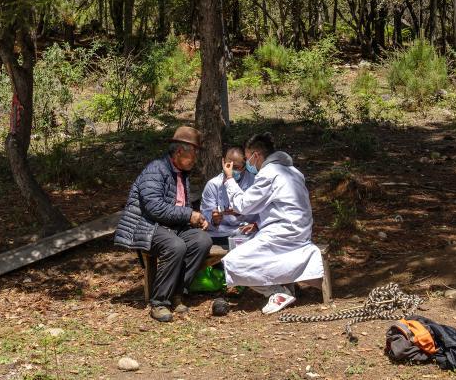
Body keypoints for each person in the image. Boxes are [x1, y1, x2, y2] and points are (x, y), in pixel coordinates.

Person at [114, 125, 213, 322]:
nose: (195, 160)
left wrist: (197, 218)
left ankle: (176, 292)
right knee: (175, 246)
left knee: (202, 241)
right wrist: (188, 215)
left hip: (171, 226)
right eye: (193, 155)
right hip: (146, 226)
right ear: (179, 152)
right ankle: (159, 302)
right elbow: (154, 208)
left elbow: (180, 206)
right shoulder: (156, 170)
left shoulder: (181, 173)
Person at [220, 132, 324, 315]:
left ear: (256, 155)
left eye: (247, 158)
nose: (248, 164)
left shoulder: (269, 173)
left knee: (233, 261)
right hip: (300, 232)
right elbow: (282, 206)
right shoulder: (294, 172)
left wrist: (229, 180)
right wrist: (259, 224)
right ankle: (285, 287)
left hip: (282, 234)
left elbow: (243, 205)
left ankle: (276, 292)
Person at [201, 146, 258, 248]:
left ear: (245, 165)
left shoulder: (254, 182)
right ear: (223, 162)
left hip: (247, 232)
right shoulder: (213, 185)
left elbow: (260, 212)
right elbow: (206, 216)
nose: (231, 171)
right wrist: (214, 220)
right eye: (228, 166)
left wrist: (241, 213)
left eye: (236, 167)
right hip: (220, 234)